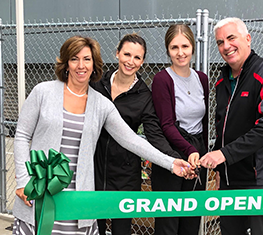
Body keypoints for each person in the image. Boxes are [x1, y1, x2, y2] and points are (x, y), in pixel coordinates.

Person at [12, 35, 195, 235]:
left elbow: (132, 140)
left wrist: (171, 162)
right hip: (41, 192)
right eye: (74, 59)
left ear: (94, 64)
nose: (81, 65)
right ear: (66, 63)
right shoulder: (43, 92)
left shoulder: (101, 104)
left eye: (87, 59)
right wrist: (23, 181)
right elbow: (21, 135)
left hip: (79, 197)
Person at [90, 33, 190, 235]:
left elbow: (154, 135)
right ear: (117, 53)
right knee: (94, 228)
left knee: (121, 230)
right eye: (127, 54)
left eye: (137, 57)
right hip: (94, 169)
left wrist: (174, 159)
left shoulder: (144, 95)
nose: (131, 61)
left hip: (125, 174)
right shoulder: (97, 83)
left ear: (143, 61)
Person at [199, 17, 263, 235]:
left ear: (247, 39)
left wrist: (223, 155)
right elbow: (222, 129)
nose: (226, 46)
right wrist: (223, 168)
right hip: (231, 178)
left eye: (231, 38)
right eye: (220, 42)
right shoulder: (221, 81)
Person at [149, 24, 209, 235]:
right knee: (168, 224)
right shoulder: (162, 80)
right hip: (172, 151)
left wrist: (201, 154)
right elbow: (166, 124)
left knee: (191, 220)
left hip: (197, 151)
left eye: (185, 46)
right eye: (174, 47)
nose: (180, 52)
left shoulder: (202, 78)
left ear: (193, 47)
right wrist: (188, 151)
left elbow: (205, 121)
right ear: (167, 50)